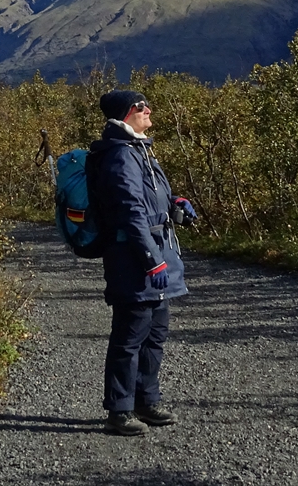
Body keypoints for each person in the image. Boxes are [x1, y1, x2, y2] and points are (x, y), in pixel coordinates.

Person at [88, 89, 200, 436]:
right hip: (133, 261)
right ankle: (119, 411)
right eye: (141, 106)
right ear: (126, 114)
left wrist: (175, 200)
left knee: (155, 334)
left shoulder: (139, 149)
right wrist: (152, 261)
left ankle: (146, 402)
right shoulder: (121, 156)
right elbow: (130, 213)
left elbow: (151, 200)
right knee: (130, 336)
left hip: (153, 255)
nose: (148, 109)